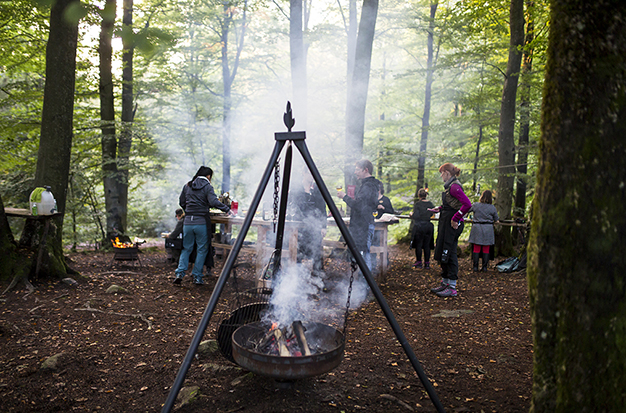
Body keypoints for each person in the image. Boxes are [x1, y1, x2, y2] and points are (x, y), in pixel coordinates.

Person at [174, 166, 232, 285]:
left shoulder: (187, 185)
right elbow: (213, 201)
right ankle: (197, 276)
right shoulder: (207, 186)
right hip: (201, 222)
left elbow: (181, 202)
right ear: (208, 176)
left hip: (188, 222)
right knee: (202, 249)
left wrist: (189, 210)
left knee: (186, 248)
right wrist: (227, 210)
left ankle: (180, 273)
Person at [429, 163, 472, 297]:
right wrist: (440, 209)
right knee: (442, 250)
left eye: (442, 172)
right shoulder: (449, 187)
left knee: (450, 251)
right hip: (445, 222)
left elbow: (467, 205)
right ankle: (445, 282)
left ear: (447, 172)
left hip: (452, 225)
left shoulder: (454, 187)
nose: (441, 175)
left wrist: (456, 218)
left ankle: (452, 287)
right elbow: (453, 204)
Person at [337, 159, 379, 270]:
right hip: (361, 226)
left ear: (365, 170)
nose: (355, 172)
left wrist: (344, 197)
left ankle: (365, 283)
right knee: (361, 255)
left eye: (357, 170)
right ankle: (361, 283)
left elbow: (359, 206)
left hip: (364, 227)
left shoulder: (368, 186)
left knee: (364, 256)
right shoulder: (367, 185)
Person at [291, 168, 327, 275]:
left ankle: (318, 279)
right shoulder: (297, 189)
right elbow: (294, 206)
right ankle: (297, 278)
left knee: (316, 253)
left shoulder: (317, 189)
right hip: (300, 227)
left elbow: (322, 208)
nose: (312, 176)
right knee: (298, 253)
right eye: (310, 174)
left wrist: (323, 226)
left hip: (315, 227)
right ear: (304, 173)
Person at [468, 190, 499, 272]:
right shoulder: (492, 207)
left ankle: (475, 267)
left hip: (477, 227)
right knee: (486, 247)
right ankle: (484, 267)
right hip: (488, 228)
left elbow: (466, 210)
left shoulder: (475, 205)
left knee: (476, 247)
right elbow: (496, 220)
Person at [410, 188, 435, 269]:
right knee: (427, 245)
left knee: (419, 245)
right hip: (428, 226)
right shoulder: (430, 204)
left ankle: (419, 262)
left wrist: (411, 214)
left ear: (419, 195)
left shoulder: (418, 204)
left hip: (419, 226)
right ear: (426, 195)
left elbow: (416, 216)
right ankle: (427, 263)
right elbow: (432, 213)